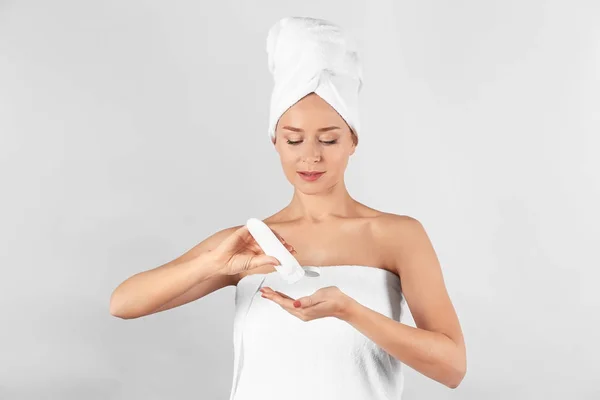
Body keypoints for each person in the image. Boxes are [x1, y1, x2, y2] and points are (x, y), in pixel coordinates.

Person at [110, 16, 466, 399]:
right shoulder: (250, 243)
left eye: (328, 140)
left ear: (352, 141)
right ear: (275, 142)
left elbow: (452, 367)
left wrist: (350, 311)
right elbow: (124, 303)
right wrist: (212, 264)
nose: (310, 157)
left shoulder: (396, 236)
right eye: (294, 140)